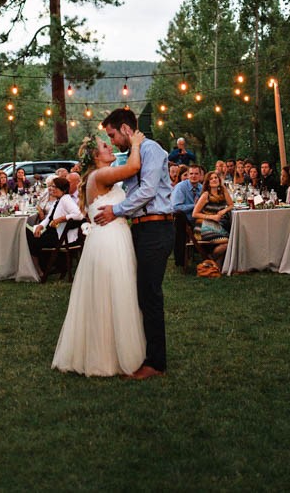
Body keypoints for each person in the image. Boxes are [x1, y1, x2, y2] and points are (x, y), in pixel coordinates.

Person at [52, 131, 146, 377]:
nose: (110, 147)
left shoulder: (101, 177)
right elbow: (134, 166)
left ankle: (109, 351)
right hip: (109, 241)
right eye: (106, 146)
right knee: (113, 292)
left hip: (112, 236)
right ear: (96, 156)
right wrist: (135, 143)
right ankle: (108, 356)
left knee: (111, 293)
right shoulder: (101, 174)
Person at [95, 108, 173, 380]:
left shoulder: (151, 150)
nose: (113, 141)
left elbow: (148, 190)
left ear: (126, 129)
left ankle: (156, 363)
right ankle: (145, 353)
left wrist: (116, 211)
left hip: (156, 227)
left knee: (150, 293)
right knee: (141, 293)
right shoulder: (133, 155)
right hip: (141, 229)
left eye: (113, 135)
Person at [28, 177, 83, 278]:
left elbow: (79, 215)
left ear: (63, 189)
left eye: (54, 187)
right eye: (51, 186)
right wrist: (40, 226)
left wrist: (61, 219)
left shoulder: (66, 200)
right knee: (30, 233)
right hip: (53, 233)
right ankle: (41, 268)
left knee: (30, 239)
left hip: (60, 237)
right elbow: (48, 218)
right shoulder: (58, 201)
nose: (51, 189)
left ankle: (39, 270)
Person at [192, 170, 233, 266]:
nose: (214, 180)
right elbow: (195, 214)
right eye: (211, 179)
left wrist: (224, 210)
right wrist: (212, 217)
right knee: (227, 242)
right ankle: (211, 259)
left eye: (215, 178)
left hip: (216, 224)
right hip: (203, 225)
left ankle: (215, 265)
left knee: (229, 241)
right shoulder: (206, 195)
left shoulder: (223, 191)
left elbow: (231, 205)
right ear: (208, 183)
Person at [172, 164, 203, 267]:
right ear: (188, 175)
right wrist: (195, 205)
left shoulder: (202, 188)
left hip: (199, 219)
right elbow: (176, 207)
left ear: (200, 175)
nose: (193, 176)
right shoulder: (180, 187)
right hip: (185, 221)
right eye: (191, 174)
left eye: (196, 174)